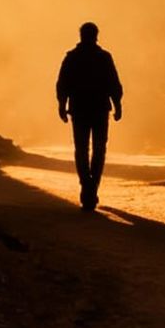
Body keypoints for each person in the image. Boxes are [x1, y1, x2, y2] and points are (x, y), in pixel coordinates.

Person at [56, 21, 123, 212]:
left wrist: (62, 105)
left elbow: (62, 84)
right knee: (99, 149)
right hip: (100, 110)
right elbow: (114, 83)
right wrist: (117, 105)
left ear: (81, 36)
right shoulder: (104, 57)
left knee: (81, 149)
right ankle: (91, 188)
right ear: (96, 36)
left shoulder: (72, 58)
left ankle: (87, 187)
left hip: (79, 109)